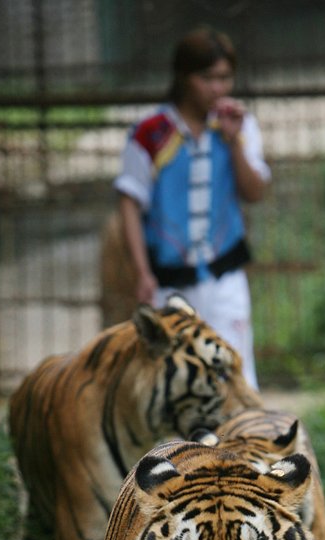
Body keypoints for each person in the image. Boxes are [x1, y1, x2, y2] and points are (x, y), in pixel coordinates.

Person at [113, 27, 270, 389]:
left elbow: (256, 190)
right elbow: (129, 204)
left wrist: (234, 143)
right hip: (169, 281)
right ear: (185, 78)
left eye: (225, 78)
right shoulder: (149, 134)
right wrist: (141, 272)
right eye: (208, 78)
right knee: (173, 382)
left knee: (235, 377)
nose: (218, 88)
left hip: (225, 275)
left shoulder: (239, 126)